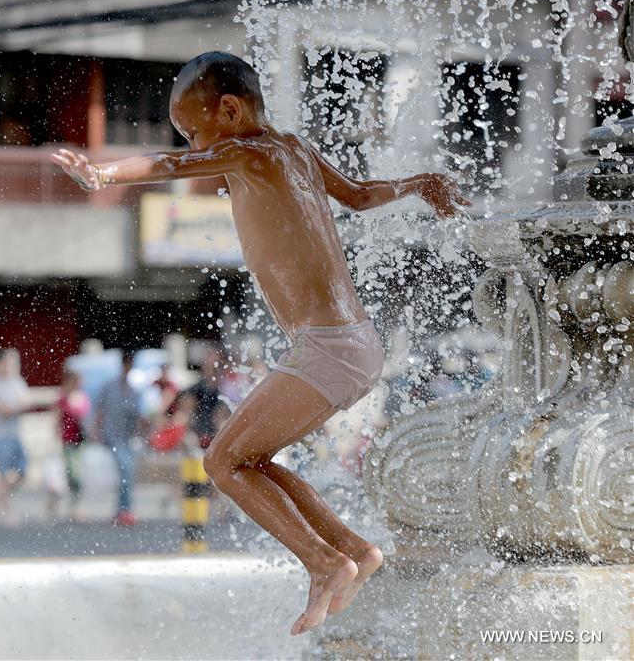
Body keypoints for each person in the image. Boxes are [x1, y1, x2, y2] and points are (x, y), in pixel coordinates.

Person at [51, 51, 468, 634]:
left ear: (229, 110)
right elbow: (362, 196)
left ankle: (325, 563)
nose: (197, 147)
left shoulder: (248, 150)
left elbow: (172, 166)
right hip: (349, 342)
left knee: (222, 461)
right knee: (248, 459)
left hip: (330, 345)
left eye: (197, 131)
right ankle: (353, 549)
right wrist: (418, 184)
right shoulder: (293, 149)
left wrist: (103, 174)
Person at [94, 351, 143, 526]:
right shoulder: (109, 387)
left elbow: (137, 417)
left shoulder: (133, 390)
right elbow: (99, 411)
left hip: (127, 437)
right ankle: (124, 509)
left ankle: (123, 509)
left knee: (127, 472)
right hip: (112, 436)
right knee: (125, 469)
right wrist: (96, 432)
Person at [0, 348, 29, 528]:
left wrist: (14, 407)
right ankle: (5, 508)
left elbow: (26, 401)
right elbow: (2, 409)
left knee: (22, 473)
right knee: (5, 474)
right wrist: (15, 407)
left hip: (16, 434)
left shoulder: (16, 381)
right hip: (1, 436)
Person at [52, 370, 90, 520]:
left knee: (78, 474)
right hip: (67, 440)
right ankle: (70, 503)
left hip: (80, 440)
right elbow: (56, 418)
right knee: (72, 473)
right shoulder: (63, 397)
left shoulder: (82, 397)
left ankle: (75, 505)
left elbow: (87, 418)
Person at [185, 347, 222, 450]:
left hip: (216, 433)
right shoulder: (197, 388)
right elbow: (188, 412)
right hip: (199, 433)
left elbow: (222, 416)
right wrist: (190, 432)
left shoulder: (223, 388)